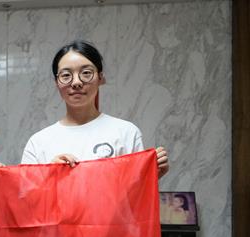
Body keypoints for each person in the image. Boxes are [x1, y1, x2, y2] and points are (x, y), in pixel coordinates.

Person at [21, 40, 169, 178]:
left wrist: (150, 176)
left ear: (100, 78)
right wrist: (49, 175)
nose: (76, 82)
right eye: (66, 75)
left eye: (86, 73)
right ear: (56, 82)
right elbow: (26, 194)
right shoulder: (38, 143)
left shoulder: (126, 133)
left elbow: (134, 192)